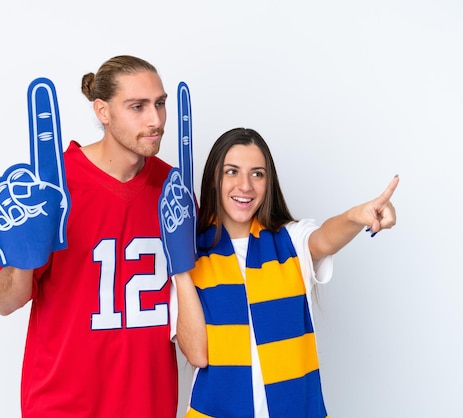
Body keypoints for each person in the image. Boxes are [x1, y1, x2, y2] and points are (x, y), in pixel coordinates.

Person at [0, 55, 178, 418]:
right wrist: (23, 256)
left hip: (149, 405)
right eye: (138, 107)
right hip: (63, 405)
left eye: (160, 104)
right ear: (102, 110)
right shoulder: (53, 187)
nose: (156, 120)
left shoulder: (173, 190)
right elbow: (4, 302)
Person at [162, 127, 398, 417]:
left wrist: (355, 216)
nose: (245, 186)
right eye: (232, 172)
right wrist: (180, 264)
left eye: (257, 174)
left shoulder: (290, 241)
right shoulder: (191, 257)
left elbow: (324, 238)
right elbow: (197, 354)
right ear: (214, 178)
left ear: (268, 182)